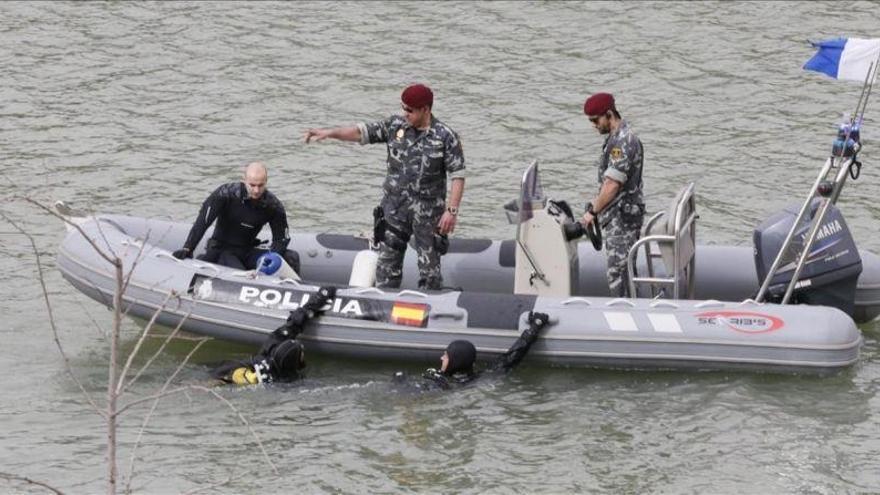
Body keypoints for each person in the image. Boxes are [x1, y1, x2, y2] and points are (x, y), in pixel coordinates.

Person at [303, 83, 465, 290]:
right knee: (387, 267)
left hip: (428, 215)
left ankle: (430, 309)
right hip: (394, 210)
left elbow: (458, 175)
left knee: (430, 271)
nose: (404, 113)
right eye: (403, 108)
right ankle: (383, 307)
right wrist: (330, 133)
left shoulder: (445, 136)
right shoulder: (395, 126)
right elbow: (360, 133)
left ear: (425, 109)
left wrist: (451, 211)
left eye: (410, 110)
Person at [579, 92, 645, 298]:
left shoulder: (622, 143)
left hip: (622, 220)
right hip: (619, 216)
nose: (594, 125)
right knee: (624, 272)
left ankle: (625, 317)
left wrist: (592, 212)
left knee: (618, 274)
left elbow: (611, 186)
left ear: (609, 114)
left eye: (595, 120)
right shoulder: (616, 139)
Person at [172, 162, 294, 271]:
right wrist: (188, 248)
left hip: (247, 250)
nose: (256, 190)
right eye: (252, 185)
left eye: (260, 185)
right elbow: (202, 222)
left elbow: (282, 238)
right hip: (221, 250)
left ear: (266, 181)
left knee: (291, 257)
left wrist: (273, 256)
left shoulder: (272, 205)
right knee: (240, 272)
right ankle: (205, 259)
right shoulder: (225, 194)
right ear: (244, 180)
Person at [393, 311, 550, 391]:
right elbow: (511, 358)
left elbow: (406, 396)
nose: (441, 358)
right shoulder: (482, 377)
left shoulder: (440, 385)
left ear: (456, 361)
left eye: (446, 356)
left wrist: (399, 380)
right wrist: (534, 328)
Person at [212, 286, 337, 385]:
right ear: (294, 362)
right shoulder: (289, 381)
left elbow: (293, 323)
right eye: (301, 353)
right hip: (219, 371)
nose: (304, 355)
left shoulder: (272, 346)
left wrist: (320, 298)